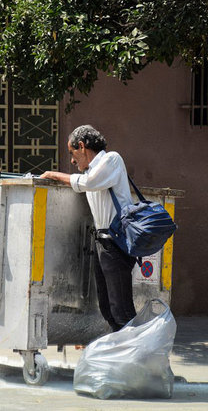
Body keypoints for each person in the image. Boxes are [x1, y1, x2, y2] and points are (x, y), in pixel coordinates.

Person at [41, 125, 137, 332]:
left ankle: (139, 354)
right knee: (107, 307)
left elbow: (89, 183)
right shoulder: (93, 169)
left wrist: (54, 175)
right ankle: (122, 351)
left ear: (82, 147)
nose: (73, 161)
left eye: (72, 153)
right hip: (102, 242)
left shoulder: (111, 159)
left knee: (121, 308)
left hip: (116, 241)